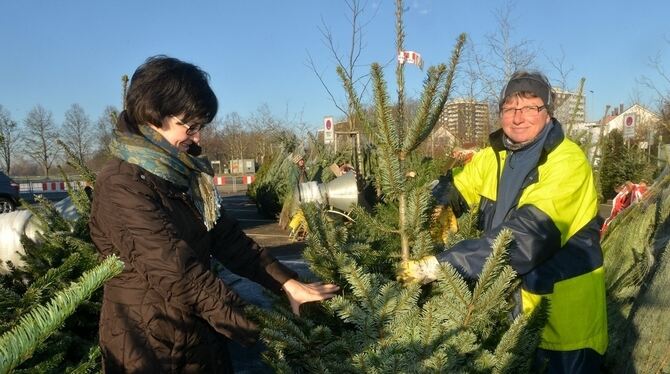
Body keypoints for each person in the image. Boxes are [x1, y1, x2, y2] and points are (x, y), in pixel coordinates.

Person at [89, 55, 339, 373]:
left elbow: (227, 238)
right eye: (189, 126)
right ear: (153, 115)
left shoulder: (182, 175)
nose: (198, 138)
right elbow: (180, 275)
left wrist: (288, 283)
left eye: (201, 127)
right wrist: (265, 329)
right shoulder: (122, 184)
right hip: (150, 348)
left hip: (197, 338)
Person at [398, 71, 607, 373]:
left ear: (548, 113)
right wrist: (437, 206)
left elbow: (525, 238)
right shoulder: (493, 157)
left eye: (530, 107)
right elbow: (454, 185)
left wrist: (441, 266)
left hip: (563, 328)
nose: (518, 117)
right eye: (510, 108)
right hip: (509, 317)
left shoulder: (566, 163)